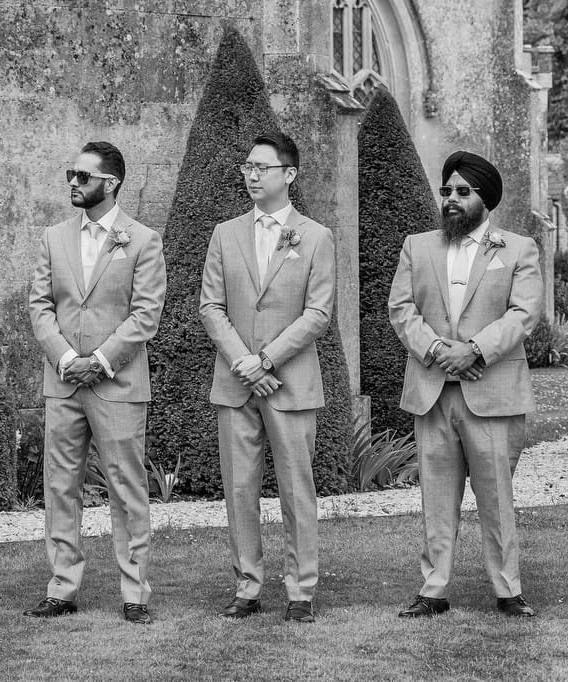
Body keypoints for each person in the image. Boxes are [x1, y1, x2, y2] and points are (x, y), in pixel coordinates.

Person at [387, 151, 543, 618]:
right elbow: (402, 310)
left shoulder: (518, 249)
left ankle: (508, 590)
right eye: (447, 191)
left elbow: (524, 313)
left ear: (485, 198)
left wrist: (473, 350)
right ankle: (433, 589)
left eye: (462, 192)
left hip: (492, 393)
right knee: (436, 496)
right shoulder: (418, 246)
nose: (451, 199)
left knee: (496, 496)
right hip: (432, 390)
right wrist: (439, 351)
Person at [199, 132, 336, 623]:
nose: (252, 175)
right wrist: (245, 363)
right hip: (236, 383)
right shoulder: (224, 233)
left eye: (262, 167)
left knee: (298, 492)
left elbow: (318, 313)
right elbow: (211, 306)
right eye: (247, 167)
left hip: (291, 384)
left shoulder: (316, 236)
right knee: (239, 490)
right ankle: (247, 586)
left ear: (289, 175)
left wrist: (268, 360)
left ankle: (300, 592)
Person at [27, 141, 166, 624]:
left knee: (127, 488)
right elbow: (40, 306)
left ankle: (134, 592)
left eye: (83, 177)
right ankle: (63, 587)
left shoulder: (143, 240)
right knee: (60, 486)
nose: (72, 182)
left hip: (117, 384)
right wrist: (67, 358)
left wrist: (101, 360)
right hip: (63, 382)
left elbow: (145, 315)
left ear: (112, 183)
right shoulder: (53, 237)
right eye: (71, 173)